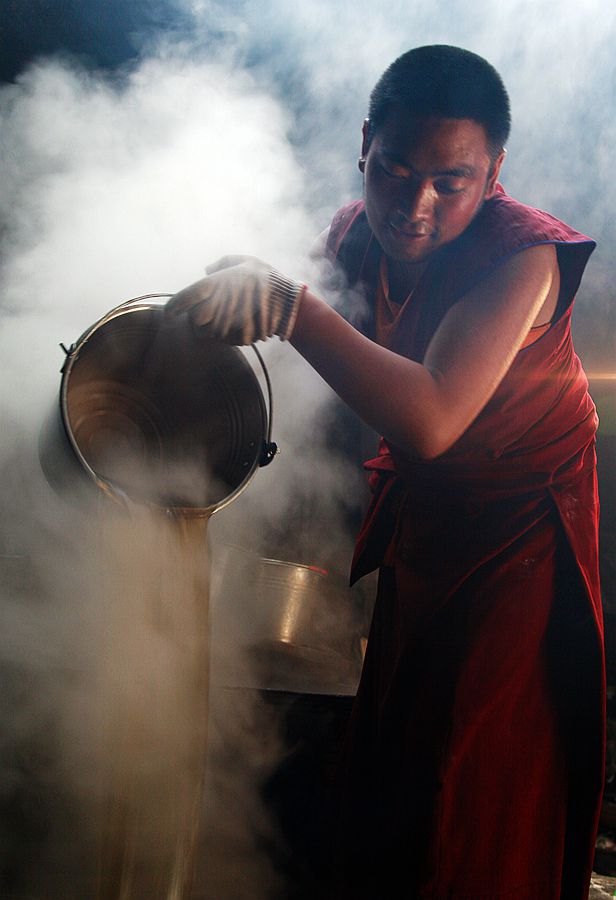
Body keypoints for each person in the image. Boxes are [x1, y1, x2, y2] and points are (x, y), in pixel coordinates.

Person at [167, 45, 605, 900]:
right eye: (395, 170)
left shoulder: (525, 260)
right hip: (430, 525)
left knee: (476, 777)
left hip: (522, 540)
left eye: (452, 182)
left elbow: (431, 417)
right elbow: (319, 342)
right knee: (397, 754)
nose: (415, 205)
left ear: (495, 172)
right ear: (365, 143)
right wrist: (230, 292)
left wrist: (288, 305)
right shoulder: (356, 229)